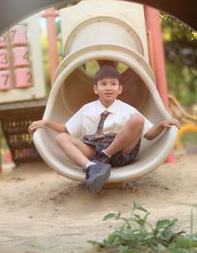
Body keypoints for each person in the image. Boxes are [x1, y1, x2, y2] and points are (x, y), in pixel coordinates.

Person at [29, 65, 180, 193]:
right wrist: (46, 123)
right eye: (103, 84)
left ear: (120, 89)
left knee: (137, 120)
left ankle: (105, 156)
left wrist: (161, 124)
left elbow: (148, 134)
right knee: (61, 138)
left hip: (120, 151)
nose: (108, 87)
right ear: (96, 89)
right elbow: (66, 130)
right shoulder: (87, 109)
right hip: (94, 151)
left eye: (113, 84)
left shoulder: (126, 109)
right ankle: (91, 167)